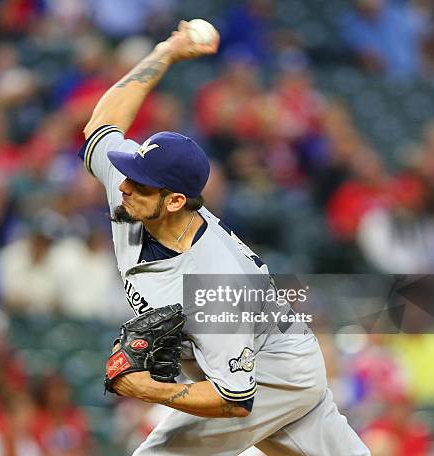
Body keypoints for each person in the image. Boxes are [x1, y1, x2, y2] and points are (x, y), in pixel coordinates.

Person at [80, 20, 370, 455]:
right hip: (274, 359)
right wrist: (167, 52)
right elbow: (100, 126)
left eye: (139, 184)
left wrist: (145, 388)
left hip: (273, 376)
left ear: (176, 201)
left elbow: (235, 401)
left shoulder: (216, 282)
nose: (124, 186)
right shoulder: (136, 196)